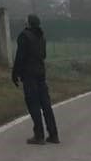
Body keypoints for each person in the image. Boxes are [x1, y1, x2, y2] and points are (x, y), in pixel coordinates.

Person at [11, 13, 59, 145]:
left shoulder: (24, 36)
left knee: (33, 104)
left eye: (25, 20)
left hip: (29, 74)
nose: (23, 21)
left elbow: (20, 57)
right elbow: (43, 55)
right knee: (46, 104)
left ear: (29, 23)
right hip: (41, 72)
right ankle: (53, 134)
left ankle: (39, 135)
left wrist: (15, 73)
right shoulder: (41, 36)